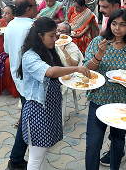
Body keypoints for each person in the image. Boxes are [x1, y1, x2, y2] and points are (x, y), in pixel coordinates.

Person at [18, 17, 90, 170]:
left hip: (50, 109)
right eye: (51, 35)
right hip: (37, 111)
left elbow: (59, 72)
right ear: (39, 35)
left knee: (42, 154)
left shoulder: (47, 51)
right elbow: (50, 72)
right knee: (35, 158)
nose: (55, 39)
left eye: (55, 34)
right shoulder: (30, 56)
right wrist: (76, 68)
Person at [84, 9, 126, 170]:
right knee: (93, 144)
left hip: (122, 103)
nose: (117, 28)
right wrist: (99, 54)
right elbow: (88, 70)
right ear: (109, 24)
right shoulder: (98, 42)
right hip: (99, 99)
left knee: (118, 141)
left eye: (122, 25)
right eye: (114, 24)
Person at [4, 0, 39, 170]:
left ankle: (19, 157)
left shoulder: (11, 25)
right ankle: (16, 159)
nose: (38, 8)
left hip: (19, 78)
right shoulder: (32, 27)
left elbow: (7, 49)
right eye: (35, 5)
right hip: (31, 80)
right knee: (28, 120)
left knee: (26, 117)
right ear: (27, 9)